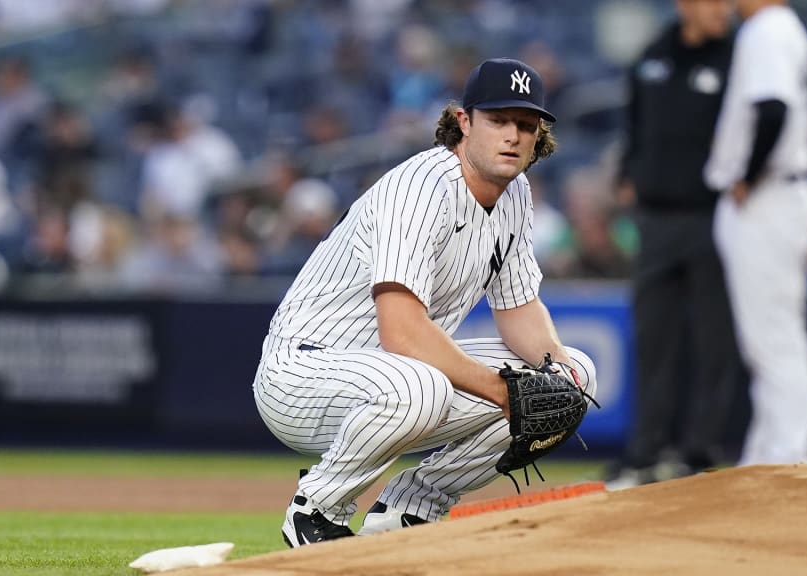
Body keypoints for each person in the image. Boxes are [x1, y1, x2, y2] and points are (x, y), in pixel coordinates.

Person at [251, 58, 598, 547]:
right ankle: (318, 509)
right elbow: (403, 333)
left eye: (525, 124)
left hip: (392, 376)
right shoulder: (421, 187)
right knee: (424, 385)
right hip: (303, 373)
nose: (513, 136)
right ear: (464, 122)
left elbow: (519, 310)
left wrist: (559, 371)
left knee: (572, 376)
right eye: (498, 120)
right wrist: (504, 393)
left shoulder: (516, 192)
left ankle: (410, 509)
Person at [607, 0, 740, 490]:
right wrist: (627, 174)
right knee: (653, 339)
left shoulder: (735, 58)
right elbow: (635, 125)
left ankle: (699, 452)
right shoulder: (653, 55)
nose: (722, 10)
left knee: (712, 339)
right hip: (656, 220)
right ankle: (645, 452)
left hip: (714, 216)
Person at [704, 0, 807, 465]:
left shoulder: (767, 29)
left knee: (773, 337)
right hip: (778, 194)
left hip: (768, 196)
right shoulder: (780, 28)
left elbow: (773, 110)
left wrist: (747, 177)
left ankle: (789, 452)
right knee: (770, 336)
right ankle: (769, 451)